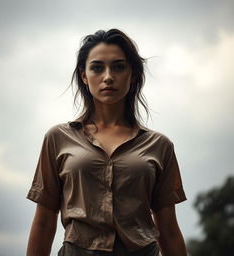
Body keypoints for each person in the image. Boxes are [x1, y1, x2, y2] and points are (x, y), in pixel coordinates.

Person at [26, 29, 187, 256]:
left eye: (119, 67)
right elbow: (44, 222)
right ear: (84, 75)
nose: (108, 76)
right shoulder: (58, 138)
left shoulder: (159, 145)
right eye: (97, 67)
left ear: (132, 75)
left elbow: (168, 229)